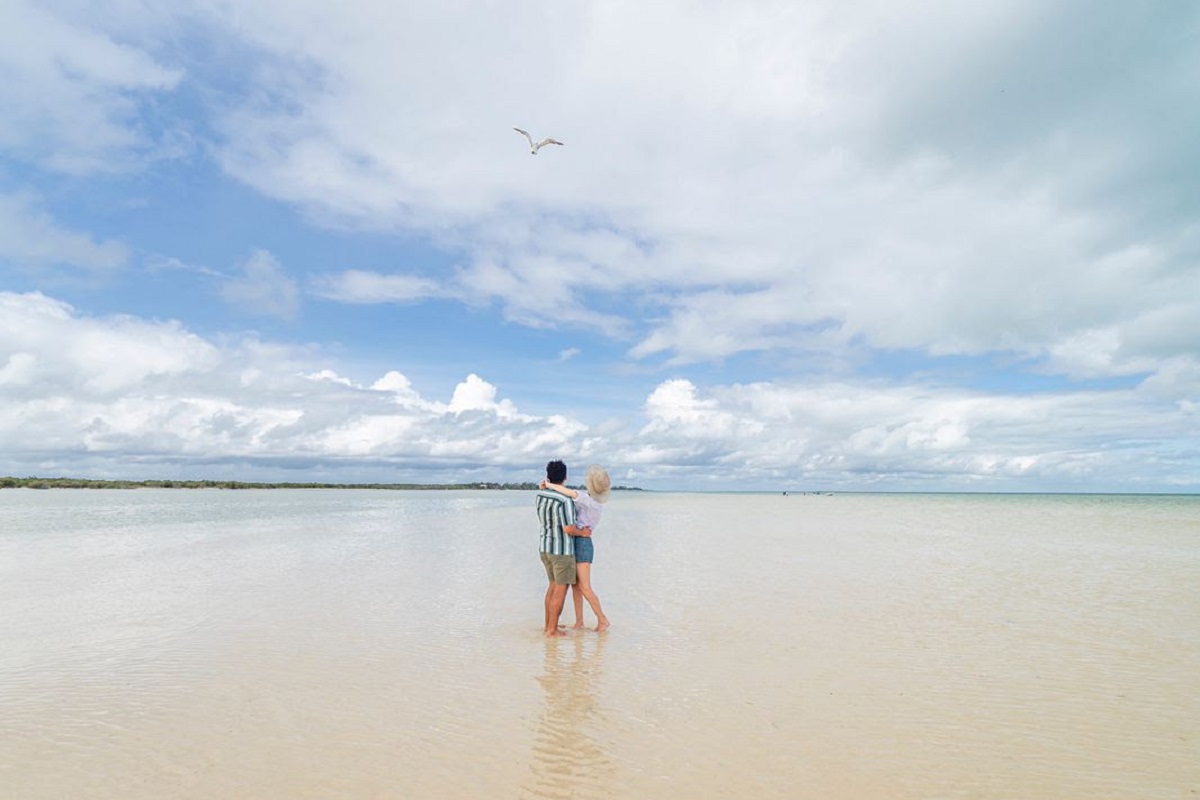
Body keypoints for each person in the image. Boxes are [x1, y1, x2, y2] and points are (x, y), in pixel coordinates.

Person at [543, 464, 611, 632]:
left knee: (585, 587)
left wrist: (548, 485)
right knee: (576, 586)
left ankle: (602, 620)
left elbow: (570, 494)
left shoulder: (589, 502)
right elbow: (570, 494)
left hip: (582, 544)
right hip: (576, 541)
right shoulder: (590, 500)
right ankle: (579, 622)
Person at [535, 460, 592, 637]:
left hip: (545, 547)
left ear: (548, 476)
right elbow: (568, 528)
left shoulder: (541, 495)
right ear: (565, 477)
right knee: (560, 590)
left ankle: (548, 626)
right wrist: (583, 533)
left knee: (551, 587)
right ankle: (552, 630)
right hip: (561, 550)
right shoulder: (565, 500)